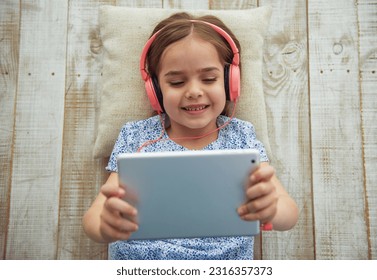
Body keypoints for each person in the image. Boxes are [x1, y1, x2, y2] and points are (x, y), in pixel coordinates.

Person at [83, 12, 298, 260]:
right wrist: (104, 225)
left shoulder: (242, 136)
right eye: (176, 82)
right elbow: (94, 217)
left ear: (231, 82)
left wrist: (272, 209)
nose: (194, 92)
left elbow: (289, 213)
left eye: (209, 79)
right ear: (154, 90)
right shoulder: (136, 136)